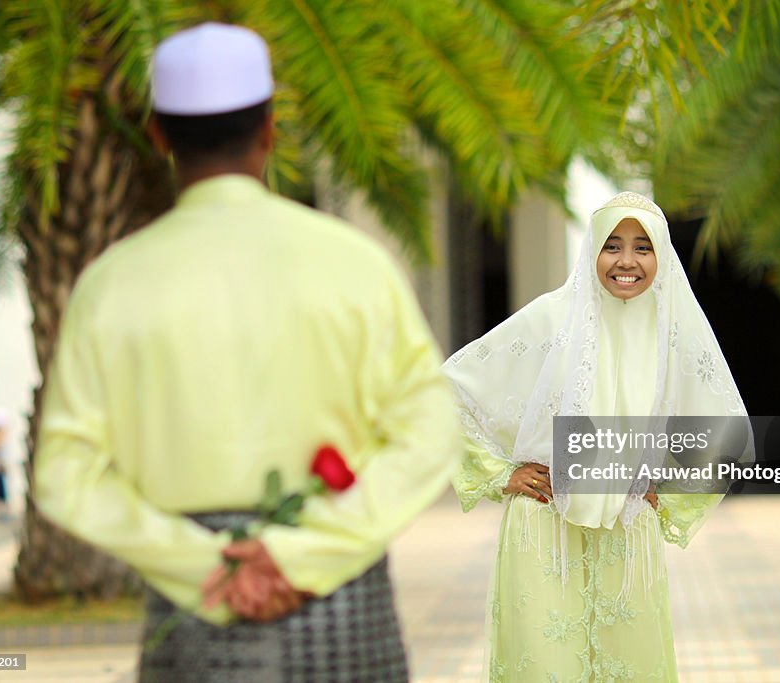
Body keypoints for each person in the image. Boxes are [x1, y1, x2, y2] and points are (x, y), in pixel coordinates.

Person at [33, 22, 461, 683]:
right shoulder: (354, 264)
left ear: (158, 134)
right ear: (269, 129)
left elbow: (65, 475)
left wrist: (204, 561)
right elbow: (432, 430)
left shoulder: (110, 285)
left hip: (197, 617)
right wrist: (306, 551)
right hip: (344, 614)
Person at [443, 191, 749, 681]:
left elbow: (725, 431)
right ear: (592, 250)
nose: (626, 261)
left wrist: (667, 491)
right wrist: (500, 474)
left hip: (628, 531)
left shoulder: (673, 334)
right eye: (612, 245)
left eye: (643, 247)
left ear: (662, 257)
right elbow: (441, 394)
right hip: (543, 529)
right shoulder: (550, 319)